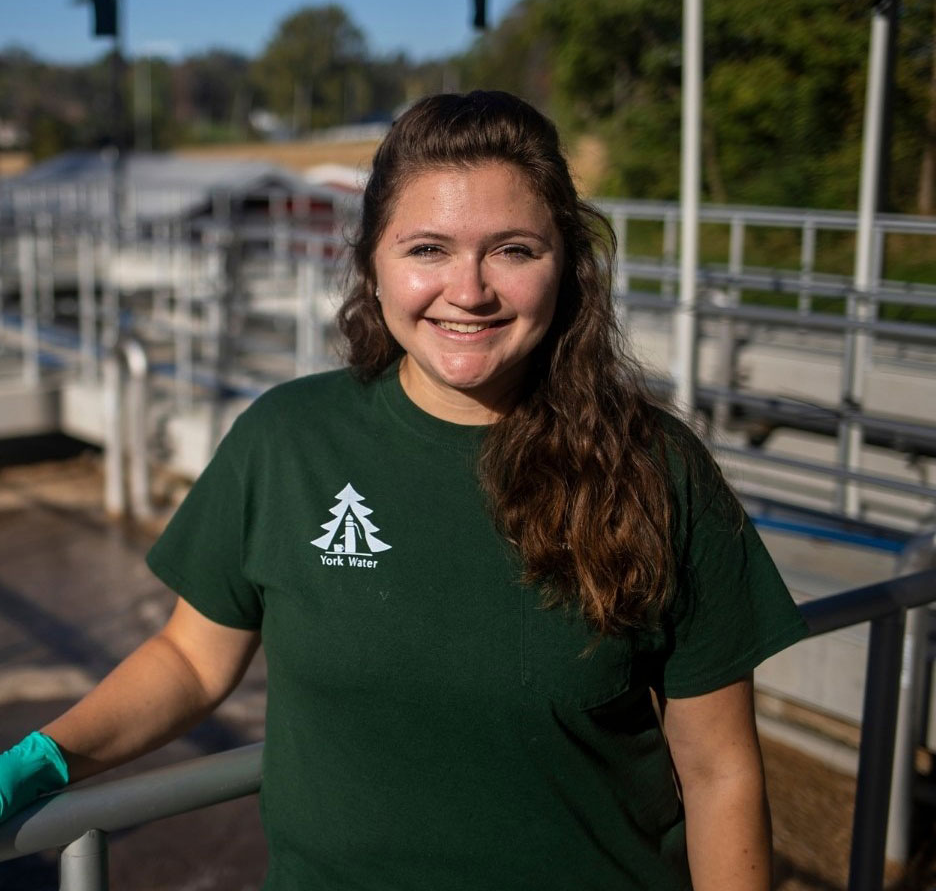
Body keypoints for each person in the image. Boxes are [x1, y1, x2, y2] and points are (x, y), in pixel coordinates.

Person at [0, 91, 807, 890]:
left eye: (513, 250)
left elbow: (719, 772)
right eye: (428, 249)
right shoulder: (287, 441)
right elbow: (188, 660)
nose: (470, 289)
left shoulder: (655, 468)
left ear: (567, 265)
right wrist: (45, 758)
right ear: (372, 265)